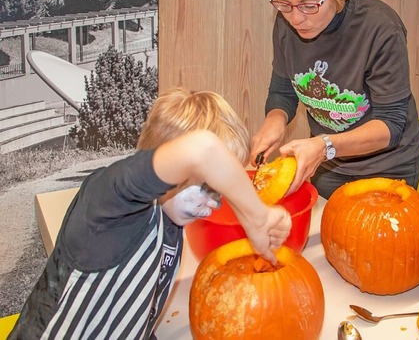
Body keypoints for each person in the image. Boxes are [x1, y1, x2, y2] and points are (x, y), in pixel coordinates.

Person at [9, 87, 292, 339]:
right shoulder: (106, 204)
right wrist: (257, 216)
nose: (216, 204)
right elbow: (203, 150)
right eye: (207, 186)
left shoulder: (171, 216)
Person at [251, 0, 419, 199]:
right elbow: (283, 89)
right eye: (284, 4)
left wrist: (324, 145)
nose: (296, 18)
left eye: (309, 5)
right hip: (329, 167)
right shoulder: (287, 22)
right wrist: (274, 122)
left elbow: (389, 125)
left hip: (387, 167)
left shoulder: (380, 28)